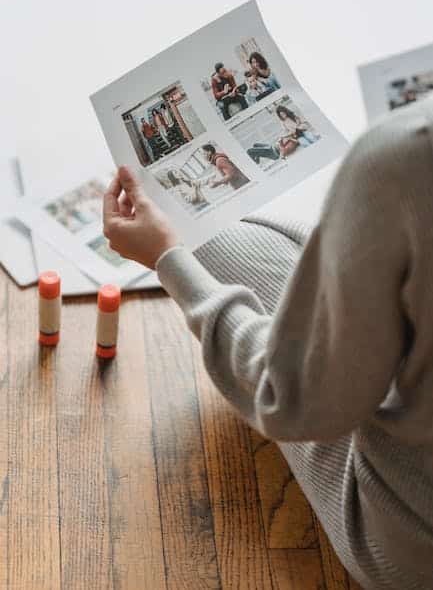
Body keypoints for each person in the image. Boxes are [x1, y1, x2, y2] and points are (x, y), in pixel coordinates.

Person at [103, 96, 433, 590]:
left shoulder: (402, 156)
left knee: (215, 244)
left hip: (411, 544)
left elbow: (291, 401)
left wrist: (169, 259)